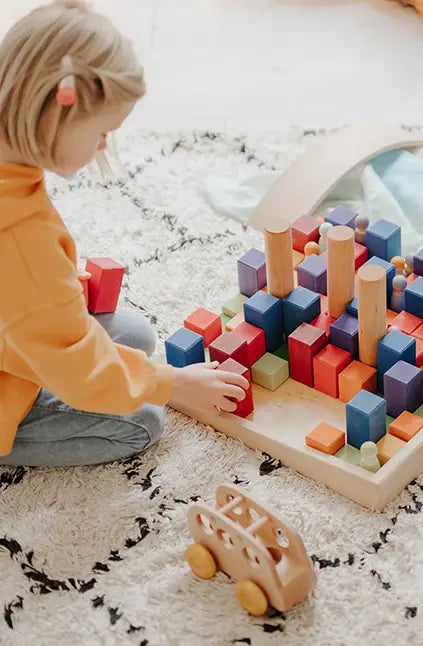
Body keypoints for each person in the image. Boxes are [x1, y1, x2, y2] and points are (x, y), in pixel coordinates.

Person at [0, 0, 247, 468]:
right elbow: (78, 372)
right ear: (57, 109)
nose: (104, 145)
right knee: (142, 421)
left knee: (134, 334)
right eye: (103, 131)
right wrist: (174, 383)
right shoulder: (21, 239)